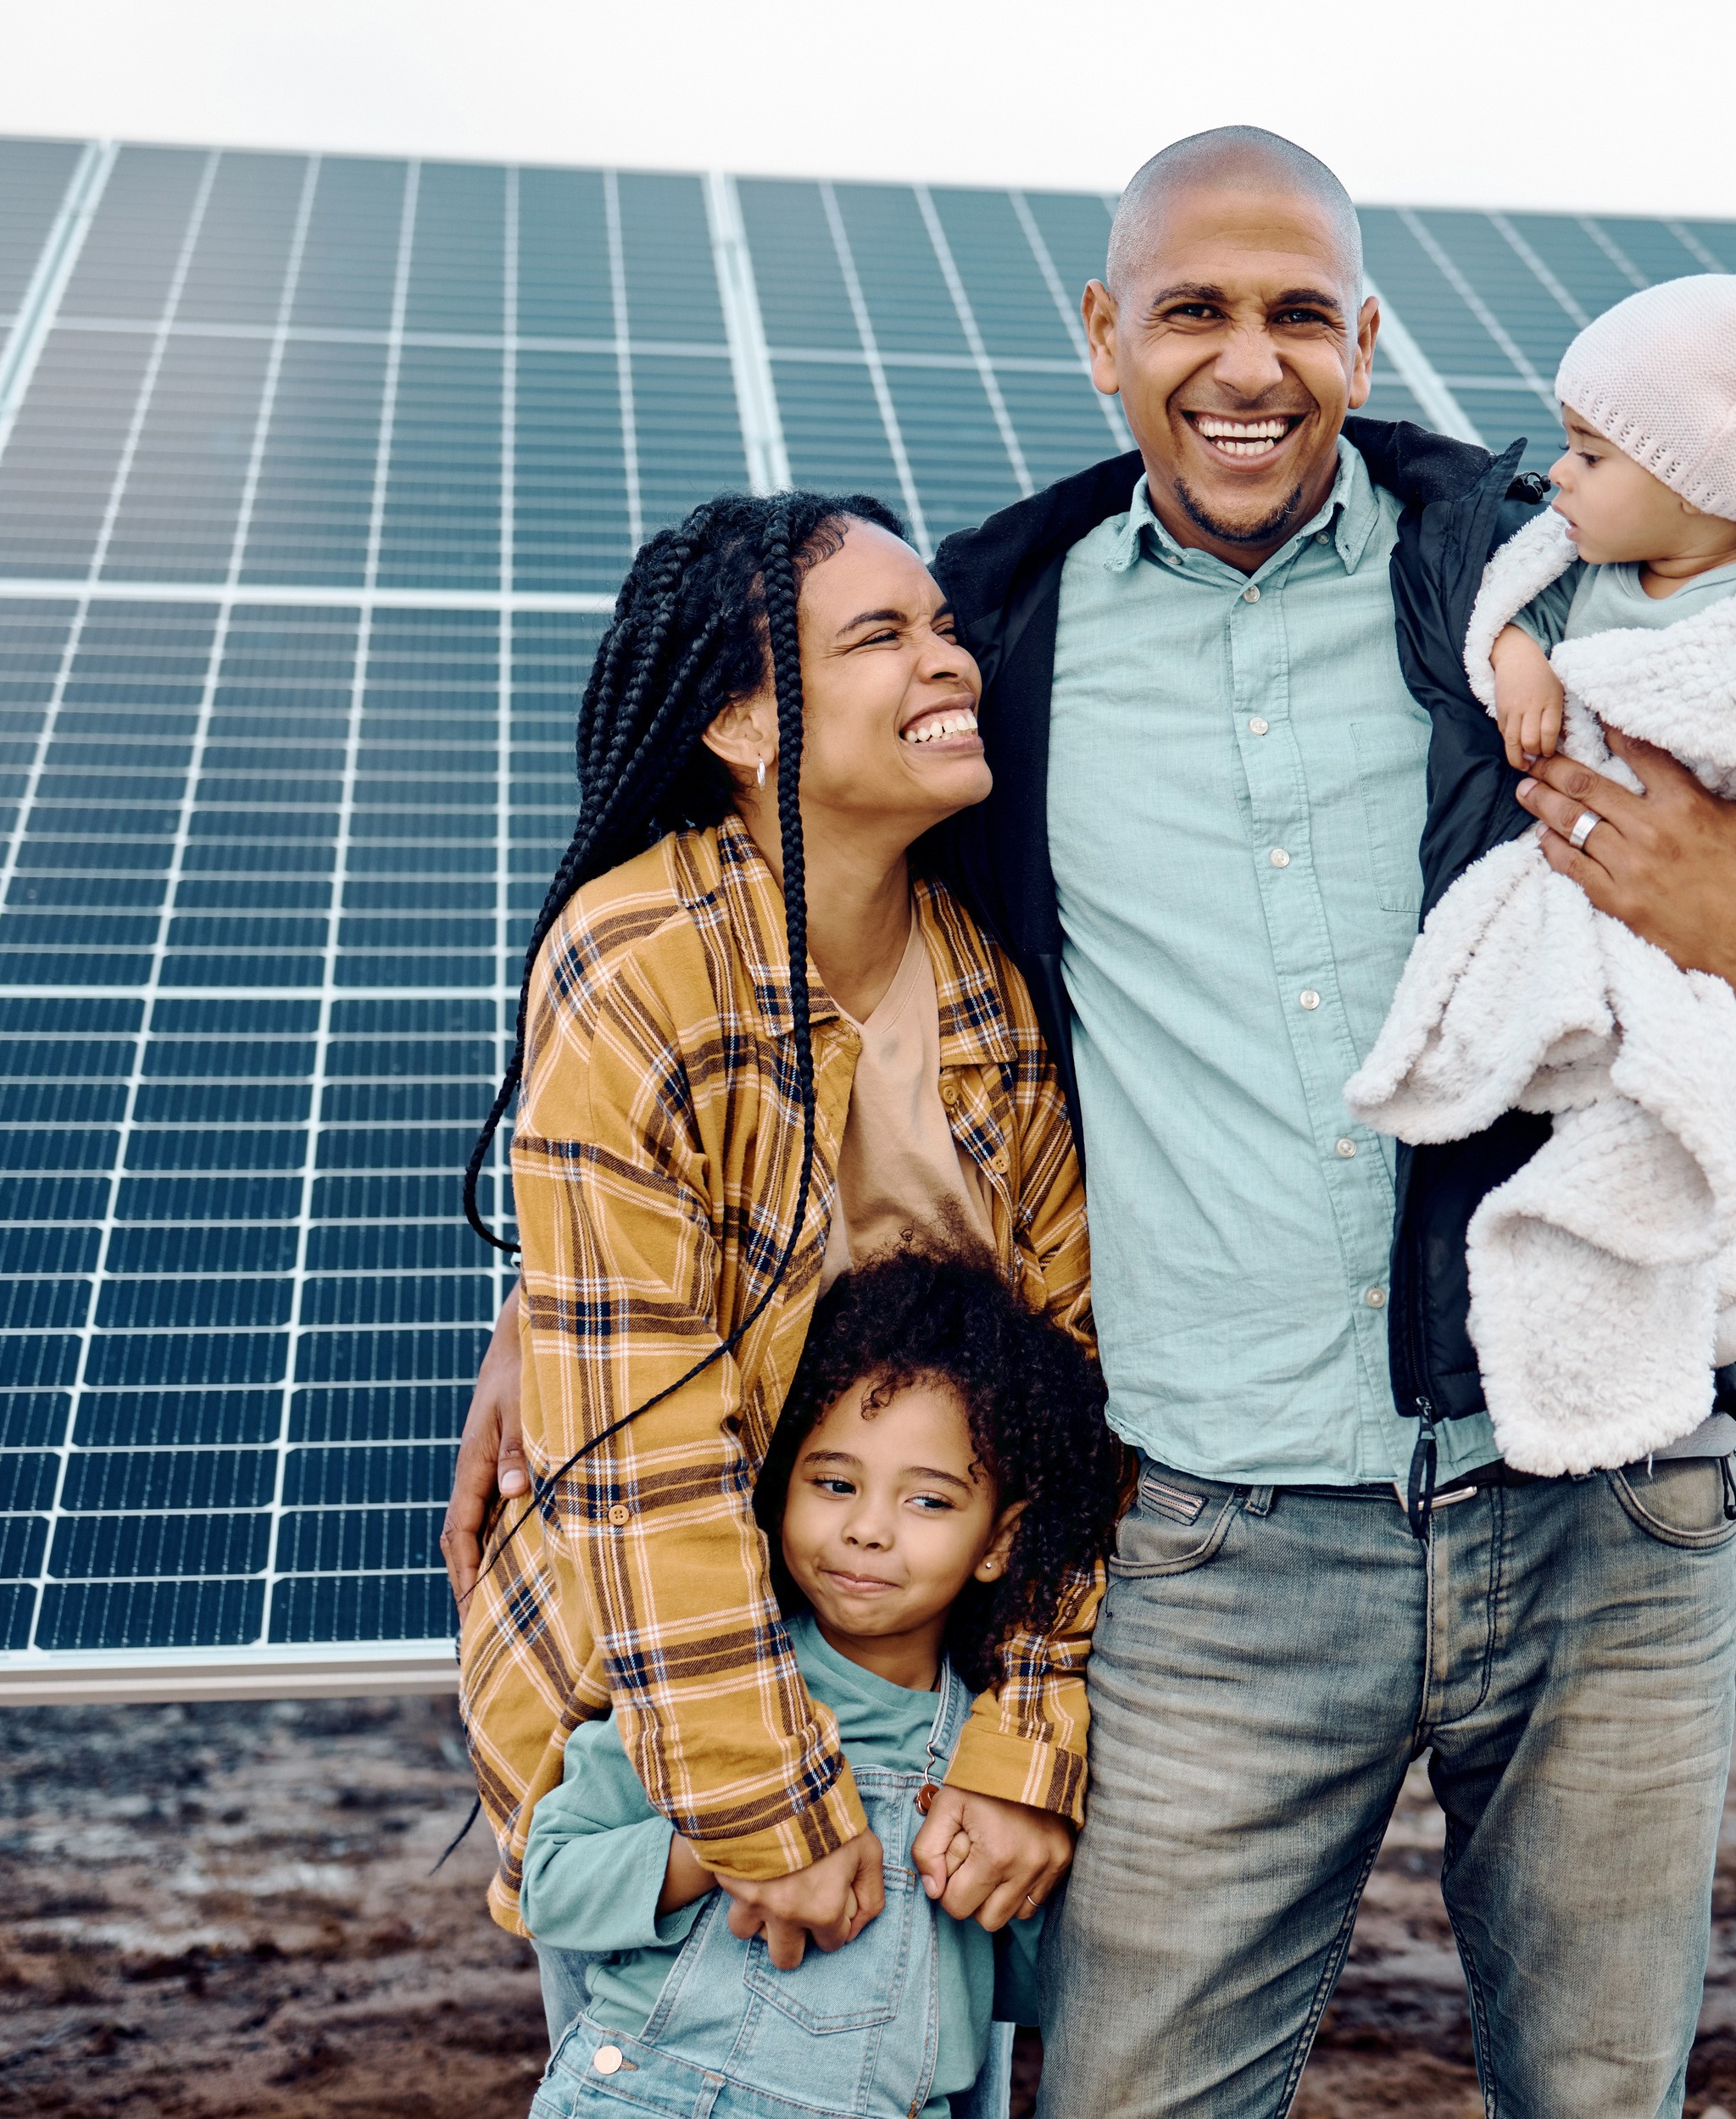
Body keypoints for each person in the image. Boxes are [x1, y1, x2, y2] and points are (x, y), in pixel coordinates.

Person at [455, 125, 1736, 2116]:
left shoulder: (1543, 590)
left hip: (1599, 1508)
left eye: (1296, 315)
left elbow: (1727, 959)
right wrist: (563, 1299)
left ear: (1364, 335)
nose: (1245, 363)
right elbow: (783, 1015)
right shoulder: (1000, 637)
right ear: (1106, 334)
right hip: (1218, 1557)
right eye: (1191, 309)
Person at [442, 492, 1097, 2064]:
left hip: (917, 1722)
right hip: (658, 1734)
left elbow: (1074, 1405)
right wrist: (758, 1810)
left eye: (945, 628)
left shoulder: (994, 996)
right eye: (881, 636)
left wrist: (1023, 1741)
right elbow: (643, 1459)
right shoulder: (643, 963)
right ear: (742, 719)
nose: (949, 663)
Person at [1346, 274, 1736, 1478]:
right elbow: (1505, 614)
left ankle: (1679, 1287)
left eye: (1590, 455)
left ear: (1695, 487)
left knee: (1678, 1099)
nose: (1557, 479)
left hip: (1693, 895)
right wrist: (1516, 660)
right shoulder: (1573, 567)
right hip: (1572, 871)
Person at [521, 1245, 1118, 2119]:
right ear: (778, 1485)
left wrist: (1010, 1900)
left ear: (997, 1541)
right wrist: (717, 1845)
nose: (867, 1529)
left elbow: (1024, 1990)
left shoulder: (988, 1768)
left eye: (928, 1501)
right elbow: (552, 1883)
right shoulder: (706, 1696)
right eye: (834, 1482)